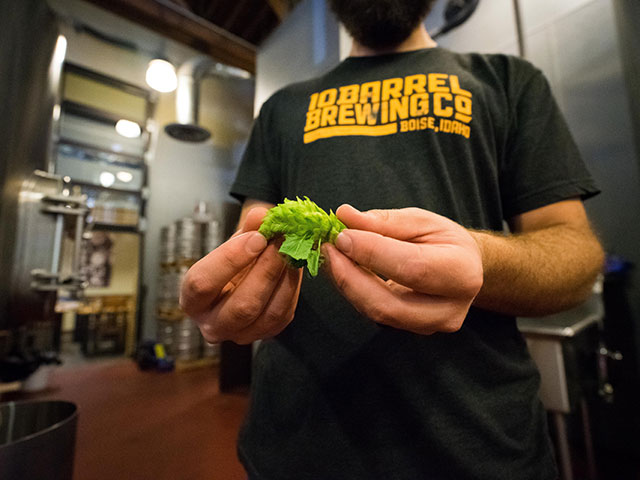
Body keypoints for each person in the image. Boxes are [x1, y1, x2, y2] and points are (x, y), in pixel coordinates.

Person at [180, 0, 604, 478]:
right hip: (295, 448)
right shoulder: (281, 108)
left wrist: (481, 258)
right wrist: (228, 292)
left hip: (481, 449)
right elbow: (251, 232)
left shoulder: (508, 81)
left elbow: (574, 251)